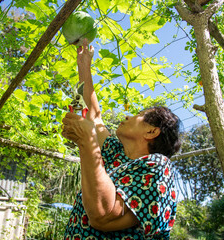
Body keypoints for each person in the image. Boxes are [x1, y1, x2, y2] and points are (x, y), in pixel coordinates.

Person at [61, 39, 182, 240]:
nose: (127, 116)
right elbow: (94, 117)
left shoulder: (159, 166)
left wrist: (87, 141)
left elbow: (104, 217)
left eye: (140, 115)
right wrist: (83, 65)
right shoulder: (117, 154)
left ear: (152, 132)